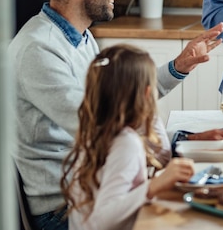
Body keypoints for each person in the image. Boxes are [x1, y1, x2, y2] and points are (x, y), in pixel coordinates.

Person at [9, 0, 223, 230]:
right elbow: (102, 126)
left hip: (101, 188)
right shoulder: (38, 49)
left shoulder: (80, 38)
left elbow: (118, 102)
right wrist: (183, 141)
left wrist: (179, 66)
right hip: (66, 209)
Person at [61, 45, 195, 230]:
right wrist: (152, 187)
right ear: (148, 94)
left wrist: (148, 111)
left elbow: (161, 155)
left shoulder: (95, 131)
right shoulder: (125, 143)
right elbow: (101, 219)